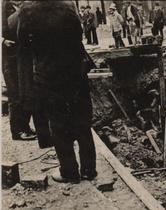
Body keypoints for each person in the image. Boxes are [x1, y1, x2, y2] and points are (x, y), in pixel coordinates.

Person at [18, 0, 97, 183]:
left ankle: (69, 171)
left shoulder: (28, 11)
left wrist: (27, 91)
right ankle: (88, 169)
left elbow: (24, 51)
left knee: (58, 123)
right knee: (82, 120)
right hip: (75, 73)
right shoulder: (68, 6)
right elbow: (79, 37)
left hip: (48, 75)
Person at [2, 0, 37, 141]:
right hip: (9, 55)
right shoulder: (3, 5)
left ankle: (25, 126)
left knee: (26, 90)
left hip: (23, 54)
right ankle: (17, 131)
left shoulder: (23, 4)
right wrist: (2, 41)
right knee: (15, 93)